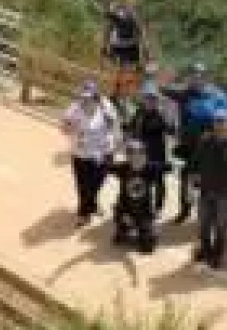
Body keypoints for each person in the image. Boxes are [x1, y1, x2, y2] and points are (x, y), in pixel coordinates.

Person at [164, 63, 227, 224]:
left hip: (211, 147)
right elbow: (162, 89)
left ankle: (207, 214)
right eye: (193, 74)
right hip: (189, 147)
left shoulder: (218, 96)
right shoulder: (184, 94)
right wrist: (152, 75)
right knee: (186, 178)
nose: (196, 77)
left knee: (209, 181)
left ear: (206, 76)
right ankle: (185, 210)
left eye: (199, 74)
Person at [191, 109, 227, 270]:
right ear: (213, 123)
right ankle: (206, 252)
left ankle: (218, 256)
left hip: (226, 194)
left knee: (221, 227)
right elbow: (194, 166)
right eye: (217, 121)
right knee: (204, 225)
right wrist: (191, 188)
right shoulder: (204, 141)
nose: (220, 124)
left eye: (223, 121)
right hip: (205, 191)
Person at [61, 80, 120, 226]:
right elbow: (64, 127)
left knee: (96, 184)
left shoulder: (106, 106)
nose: (85, 100)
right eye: (83, 97)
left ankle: (91, 203)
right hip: (80, 153)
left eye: (90, 97)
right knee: (83, 185)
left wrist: (115, 143)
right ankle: (84, 213)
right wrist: (69, 126)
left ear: (96, 96)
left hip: (104, 152)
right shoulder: (75, 107)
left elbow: (114, 125)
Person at [128, 82, 175, 215]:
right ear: (144, 99)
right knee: (140, 180)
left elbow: (171, 130)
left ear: (156, 100)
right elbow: (131, 129)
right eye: (147, 98)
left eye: (153, 98)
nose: (150, 101)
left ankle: (158, 207)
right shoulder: (138, 113)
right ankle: (142, 204)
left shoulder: (161, 114)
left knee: (159, 182)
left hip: (157, 154)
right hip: (140, 154)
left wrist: (170, 120)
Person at [111, 138, 158, 253]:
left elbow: (170, 166)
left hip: (144, 212)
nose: (137, 157)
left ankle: (146, 231)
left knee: (147, 248)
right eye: (133, 154)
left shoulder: (150, 168)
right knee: (119, 238)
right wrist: (115, 149)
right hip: (125, 210)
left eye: (141, 153)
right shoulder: (122, 168)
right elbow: (105, 165)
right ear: (128, 156)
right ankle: (123, 229)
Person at [101, 0, 144, 69]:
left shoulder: (114, 13)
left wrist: (104, 46)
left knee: (119, 67)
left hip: (118, 45)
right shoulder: (133, 14)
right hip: (129, 46)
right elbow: (140, 32)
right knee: (127, 68)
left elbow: (108, 30)